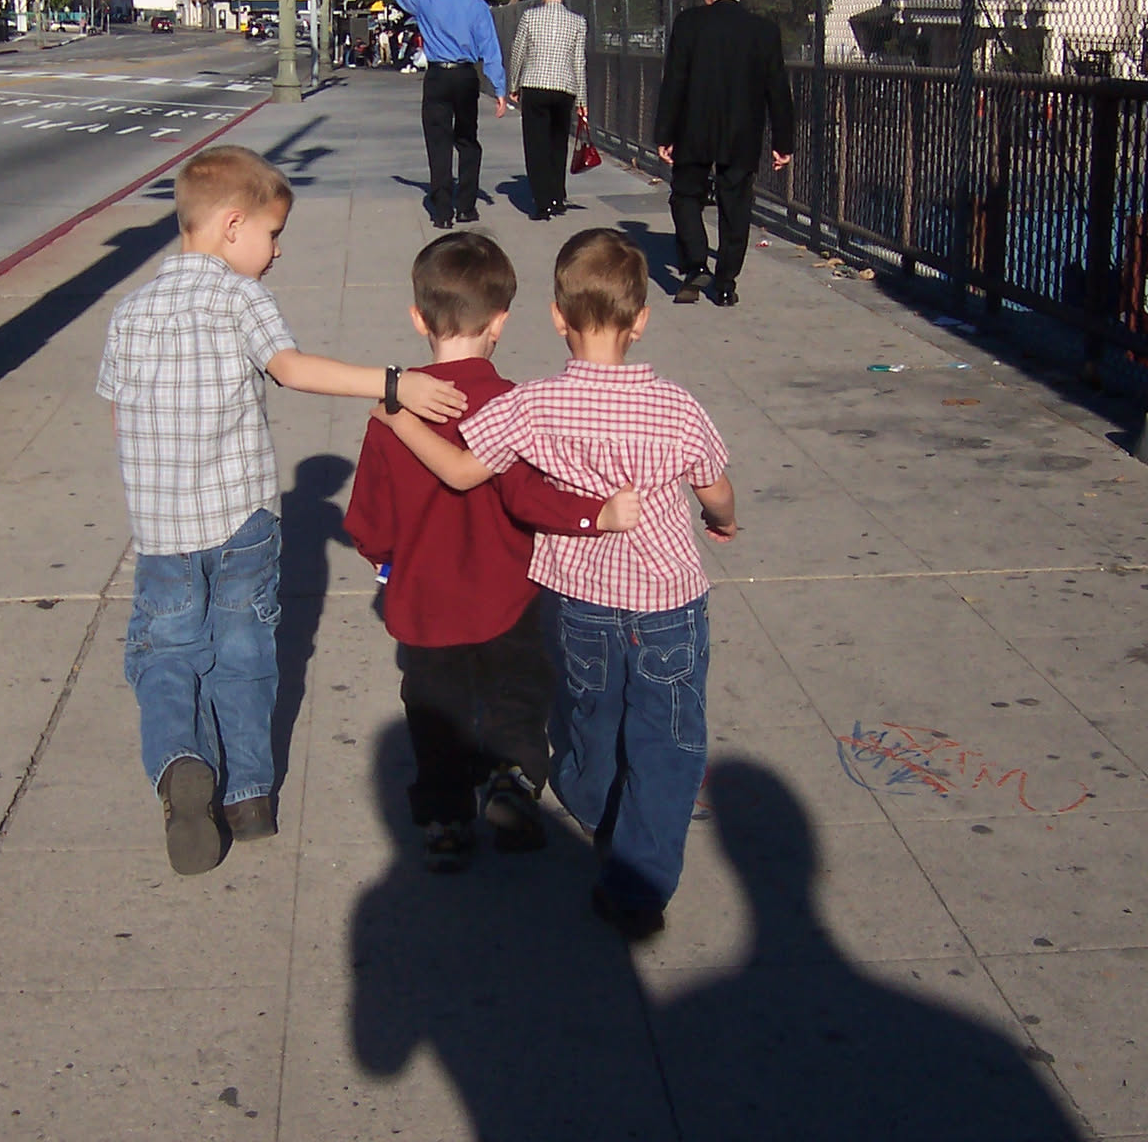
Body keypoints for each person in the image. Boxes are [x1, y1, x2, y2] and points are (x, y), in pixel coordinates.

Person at [97, 145, 468, 877]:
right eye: (272, 235)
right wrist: (393, 382)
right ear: (232, 225)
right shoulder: (240, 299)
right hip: (242, 521)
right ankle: (249, 798)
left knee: (168, 656)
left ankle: (180, 765)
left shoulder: (129, 312)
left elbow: (118, 416)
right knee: (244, 653)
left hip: (163, 533)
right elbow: (291, 370)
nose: (276, 252)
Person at [377, 228, 738, 941]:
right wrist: (721, 520)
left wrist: (397, 418)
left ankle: (592, 801)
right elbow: (715, 488)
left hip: (579, 600)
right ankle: (638, 880)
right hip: (668, 602)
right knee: (668, 739)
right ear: (641, 320)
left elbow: (461, 472)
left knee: (590, 717)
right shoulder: (677, 406)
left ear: (555, 317)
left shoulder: (534, 405)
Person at [344, 233, 641, 871]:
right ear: (500, 322)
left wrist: (385, 558)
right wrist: (594, 515)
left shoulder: (392, 417)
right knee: (519, 688)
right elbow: (534, 496)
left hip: (426, 598)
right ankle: (512, 775)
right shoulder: (513, 405)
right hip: (511, 587)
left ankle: (445, 821)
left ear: (418, 318)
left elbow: (369, 520)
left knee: (435, 710)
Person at [653, 0, 795, 307]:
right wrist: (783, 141)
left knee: (686, 195)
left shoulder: (689, 24)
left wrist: (665, 133)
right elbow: (777, 89)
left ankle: (696, 262)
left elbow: (674, 82)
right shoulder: (764, 31)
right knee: (736, 205)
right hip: (742, 131)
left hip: (694, 127)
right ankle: (726, 282)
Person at [380, 0, 508, 229]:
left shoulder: (428, 1)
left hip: (438, 75)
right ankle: (466, 206)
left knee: (438, 141)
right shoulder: (478, 7)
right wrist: (499, 89)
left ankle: (442, 211)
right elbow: (490, 49)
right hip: (465, 76)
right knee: (467, 139)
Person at [506, 0, 589, 221]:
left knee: (536, 144)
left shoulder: (530, 17)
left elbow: (518, 52)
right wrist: (582, 99)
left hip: (535, 84)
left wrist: (513, 84)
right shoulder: (577, 21)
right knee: (557, 143)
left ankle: (542, 202)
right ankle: (557, 195)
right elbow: (579, 62)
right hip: (564, 87)